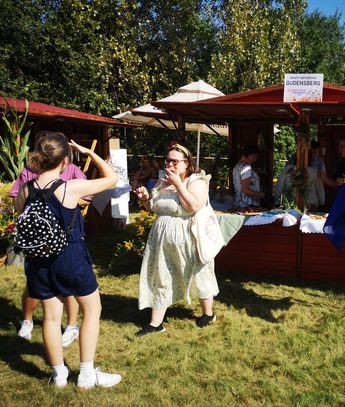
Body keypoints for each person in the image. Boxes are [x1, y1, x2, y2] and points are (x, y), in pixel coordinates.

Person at [14, 131, 121, 389]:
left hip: (39, 261)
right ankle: (86, 374)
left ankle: (59, 374)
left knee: (51, 317)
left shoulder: (26, 189)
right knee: (92, 310)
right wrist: (90, 153)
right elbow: (112, 178)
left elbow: (21, 213)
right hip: (70, 258)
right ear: (65, 160)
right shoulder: (70, 188)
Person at [10, 140, 90, 347]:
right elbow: (18, 200)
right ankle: (27, 321)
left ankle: (70, 327)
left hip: (56, 242)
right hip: (47, 246)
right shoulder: (29, 173)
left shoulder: (72, 172)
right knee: (42, 292)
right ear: (64, 157)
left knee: (56, 305)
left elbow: (86, 198)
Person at [134, 144, 219, 335]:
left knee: (198, 274)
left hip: (189, 238)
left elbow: (193, 206)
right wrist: (145, 198)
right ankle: (156, 323)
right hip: (161, 240)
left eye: (174, 161)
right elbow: (154, 207)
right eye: (167, 160)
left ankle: (208, 314)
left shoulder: (196, 181)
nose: (169, 164)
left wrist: (179, 184)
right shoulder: (162, 181)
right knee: (161, 276)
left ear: (186, 163)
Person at [232, 144, 265, 210]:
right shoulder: (246, 167)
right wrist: (262, 195)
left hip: (239, 203)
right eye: (254, 156)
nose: (255, 159)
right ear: (248, 154)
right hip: (248, 205)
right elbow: (245, 190)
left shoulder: (236, 166)